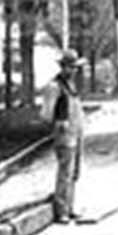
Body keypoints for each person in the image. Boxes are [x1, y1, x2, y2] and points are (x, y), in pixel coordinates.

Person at [41, 49, 86, 223]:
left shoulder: (71, 85)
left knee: (74, 172)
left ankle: (70, 206)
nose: (74, 71)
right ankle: (61, 210)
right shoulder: (54, 87)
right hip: (65, 135)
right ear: (63, 67)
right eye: (71, 67)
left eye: (76, 68)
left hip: (77, 131)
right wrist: (59, 121)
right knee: (65, 172)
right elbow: (46, 114)